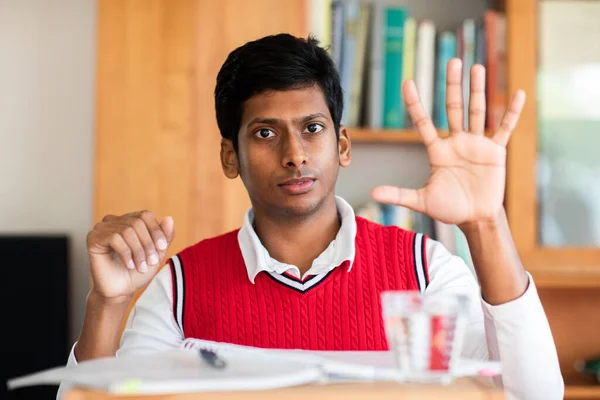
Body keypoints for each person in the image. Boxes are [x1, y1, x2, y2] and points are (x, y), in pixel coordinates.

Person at [59, 34, 563, 399]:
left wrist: (484, 223)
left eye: (313, 127)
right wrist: (108, 301)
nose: (295, 154)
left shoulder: (425, 271)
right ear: (229, 157)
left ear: (342, 145)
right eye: (264, 133)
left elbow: (533, 395)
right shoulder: (180, 286)